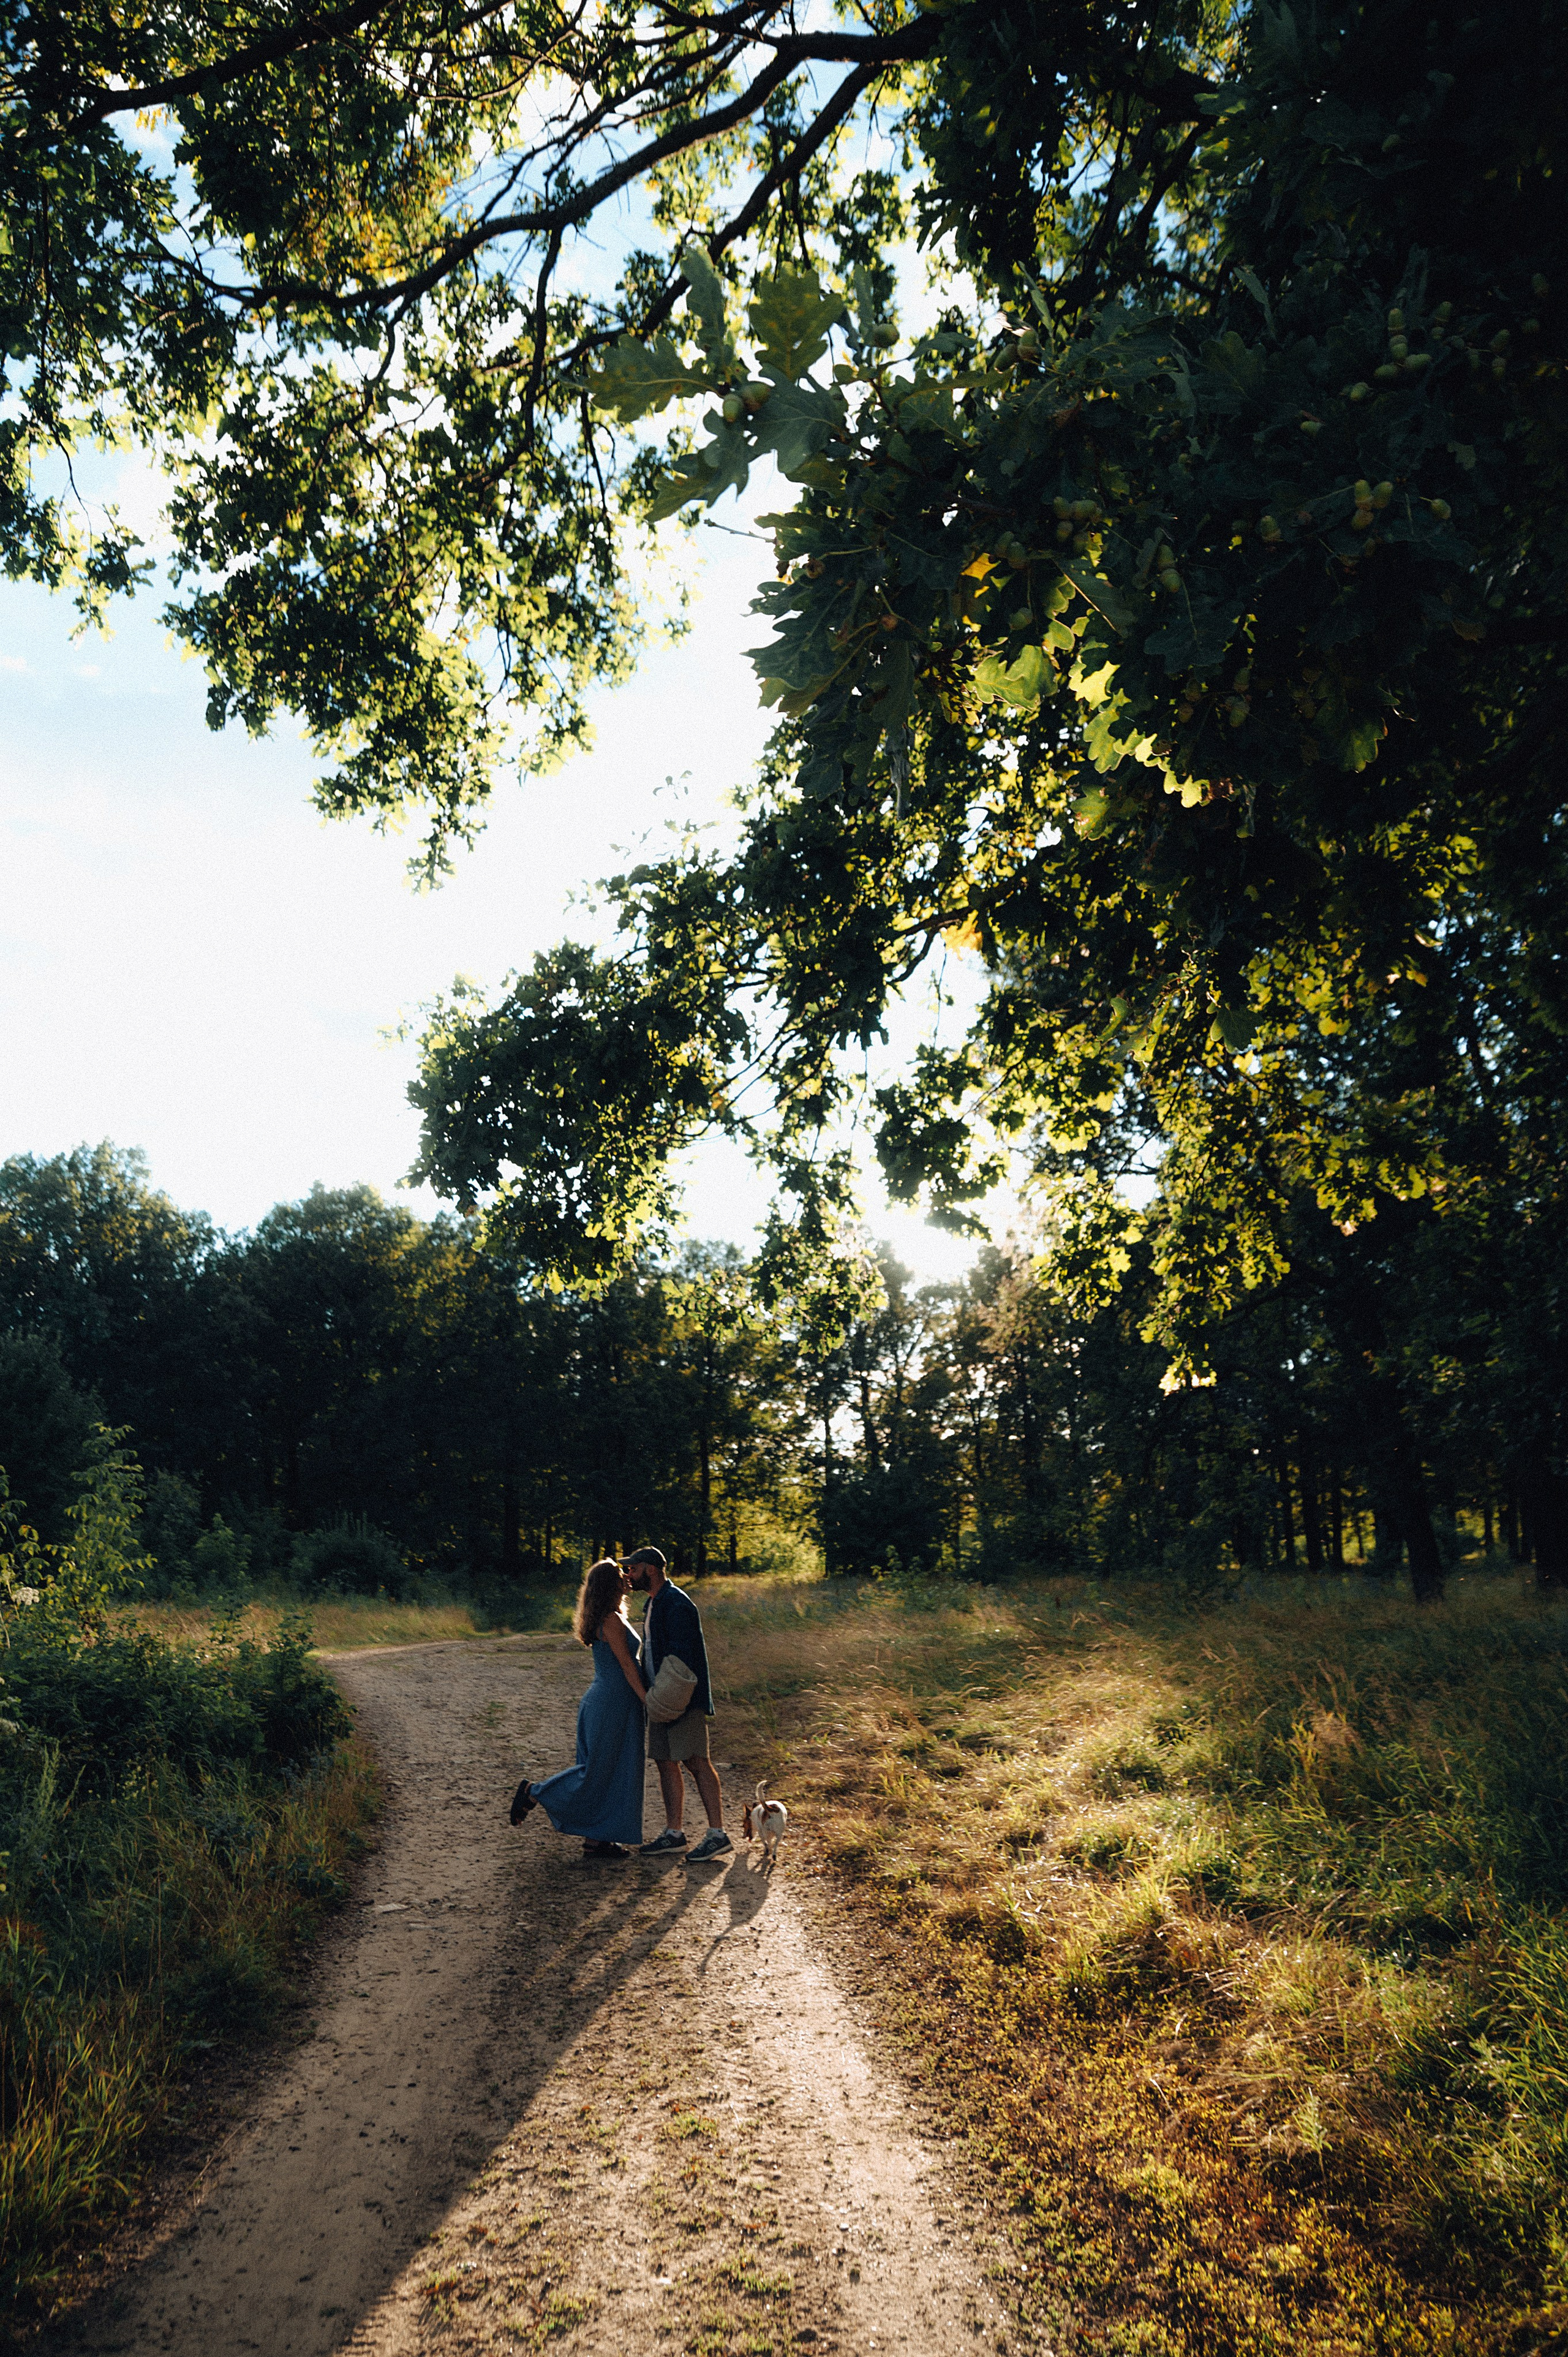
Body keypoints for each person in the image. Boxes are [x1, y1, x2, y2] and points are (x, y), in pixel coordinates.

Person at [509, 1559, 647, 1859]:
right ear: (610, 1585)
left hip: (612, 1701)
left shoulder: (611, 1616)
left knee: (615, 1769)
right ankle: (535, 1792)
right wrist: (648, 1699)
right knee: (596, 1771)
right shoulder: (610, 1619)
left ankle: (598, 1840)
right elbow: (627, 1664)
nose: (627, 1578)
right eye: (620, 1575)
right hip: (612, 1701)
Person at [622, 1545, 729, 1864]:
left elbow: (684, 1661)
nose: (629, 1573)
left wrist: (670, 1700)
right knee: (665, 1761)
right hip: (661, 1700)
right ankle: (674, 1834)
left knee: (696, 1761)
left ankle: (718, 1835)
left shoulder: (677, 1603)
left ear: (650, 1569)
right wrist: (653, 1697)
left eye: (633, 1567)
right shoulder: (654, 1602)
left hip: (682, 1700)